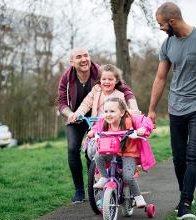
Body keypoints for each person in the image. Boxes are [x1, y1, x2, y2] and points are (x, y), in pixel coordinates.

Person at [147, 2, 196, 220]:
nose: (160, 28)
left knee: (193, 155)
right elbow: (160, 78)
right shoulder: (168, 45)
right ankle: (185, 196)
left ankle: (185, 204)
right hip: (176, 108)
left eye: (161, 24)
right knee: (179, 158)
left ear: (172, 21)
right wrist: (151, 110)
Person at [58, 48, 136, 204]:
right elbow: (61, 102)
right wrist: (72, 115)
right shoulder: (67, 77)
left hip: (101, 119)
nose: (83, 59)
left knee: (94, 152)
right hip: (78, 117)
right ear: (72, 62)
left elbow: (124, 89)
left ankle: (95, 188)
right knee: (73, 149)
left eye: (86, 55)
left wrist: (133, 108)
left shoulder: (100, 72)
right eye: (78, 57)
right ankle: (79, 191)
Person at [87, 97, 155, 208]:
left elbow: (145, 121)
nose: (108, 114)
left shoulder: (130, 120)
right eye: (106, 111)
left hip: (129, 154)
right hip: (112, 152)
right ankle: (104, 177)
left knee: (128, 177)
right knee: (98, 156)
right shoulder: (105, 122)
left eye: (112, 111)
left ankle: (138, 196)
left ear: (122, 112)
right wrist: (93, 132)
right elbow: (97, 127)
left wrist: (142, 129)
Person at [68, 64, 140, 124]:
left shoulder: (119, 95)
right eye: (104, 79)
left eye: (110, 79)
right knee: (90, 140)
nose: (107, 82)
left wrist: (133, 113)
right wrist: (78, 113)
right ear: (100, 80)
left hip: (113, 126)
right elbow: (86, 104)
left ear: (116, 81)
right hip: (96, 126)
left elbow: (124, 111)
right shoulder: (96, 90)